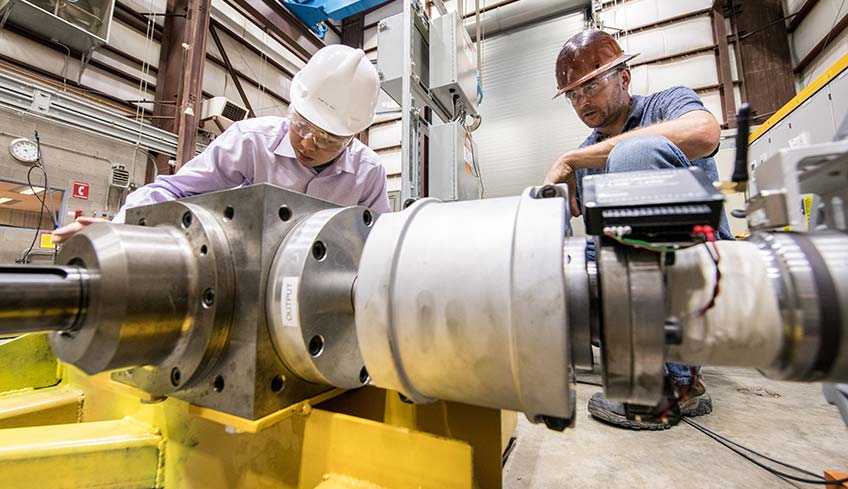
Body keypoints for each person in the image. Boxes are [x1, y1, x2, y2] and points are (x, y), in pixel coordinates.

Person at [545, 29, 734, 430]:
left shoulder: (667, 104)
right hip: (640, 284)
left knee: (635, 153)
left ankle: (663, 385)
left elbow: (704, 132)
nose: (582, 102)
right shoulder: (587, 149)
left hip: (702, 265)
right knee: (565, 264)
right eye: (573, 95)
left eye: (591, 86)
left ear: (624, 78)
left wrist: (576, 159)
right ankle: (638, 357)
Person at [53, 44, 389, 244]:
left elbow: (377, 243)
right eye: (300, 124)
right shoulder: (250, 142)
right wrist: (122, 227)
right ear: (292, 107)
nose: (307, 143)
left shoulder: (368, 173)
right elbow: (175, 191)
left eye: (327, 138)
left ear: (351, 138)